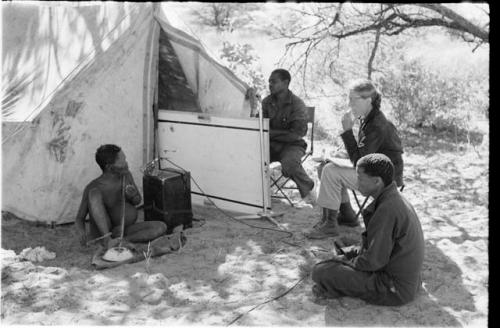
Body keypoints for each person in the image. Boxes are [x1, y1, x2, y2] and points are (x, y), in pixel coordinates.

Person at [311, 153, 425, 306]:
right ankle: (337, 285)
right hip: (403, 277)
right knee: (343, 244)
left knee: (321, 271)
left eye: (360, 178)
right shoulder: (393, 197)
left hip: (394, 288)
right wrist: (348, 256)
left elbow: (373, 261)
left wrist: (344, 262)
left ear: (377, 181)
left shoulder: (387, 209)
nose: (357, 184)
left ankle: (335, 287)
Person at [306, 78, 404, 239]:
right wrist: (339, 155)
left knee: (331, 171)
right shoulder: (369, 119)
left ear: (369, 100)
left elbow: (361, 161)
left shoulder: (377, 124)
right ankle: (347, 215)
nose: (349, 103)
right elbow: (364, 153)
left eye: (353, 99)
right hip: (375, 172)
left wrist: (347, 132)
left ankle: (330, 225)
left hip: (384, 180)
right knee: (324, 167)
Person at [75, 144, 167, 248]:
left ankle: (120, 241)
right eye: (122, 161)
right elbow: (79, 218)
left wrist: (133, 195)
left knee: (160, 227)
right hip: (103, 234)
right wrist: (81, 232)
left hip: (121, 231)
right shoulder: (93, 187)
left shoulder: (126, 176)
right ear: (110, 167)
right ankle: (107, 239)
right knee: (94, 193)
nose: (126, 163)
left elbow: (137, 201)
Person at [254, 69, 315, 202]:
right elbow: (258, 128)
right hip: (269, 143)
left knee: (290, 165)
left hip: (292, 146)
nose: (270, 84)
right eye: (269, 82)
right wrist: (276, 133)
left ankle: (308, 190)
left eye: (274, 81)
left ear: (286, 83)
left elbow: (296, 135)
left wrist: (271, 132)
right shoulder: (266, 102)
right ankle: (253, 194)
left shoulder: (297, 104)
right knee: (250, 158)